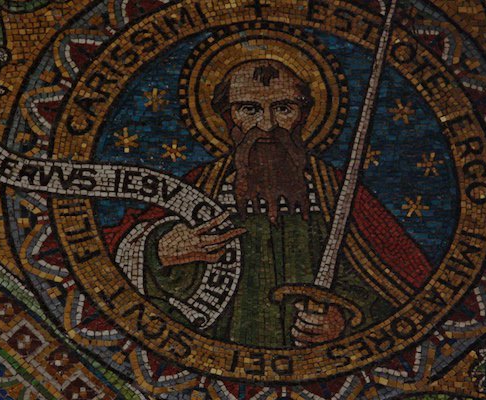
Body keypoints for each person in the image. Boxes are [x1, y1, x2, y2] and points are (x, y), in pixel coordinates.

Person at [105, 59, 432, 348]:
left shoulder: (338, 194)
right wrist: (158, 250)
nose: (267, 124)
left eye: (283, 108)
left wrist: (346, 320)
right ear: (228, 117)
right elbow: (109, 260)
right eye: (249, 109)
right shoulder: (199, 188)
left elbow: (402, 285)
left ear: (303, 115)